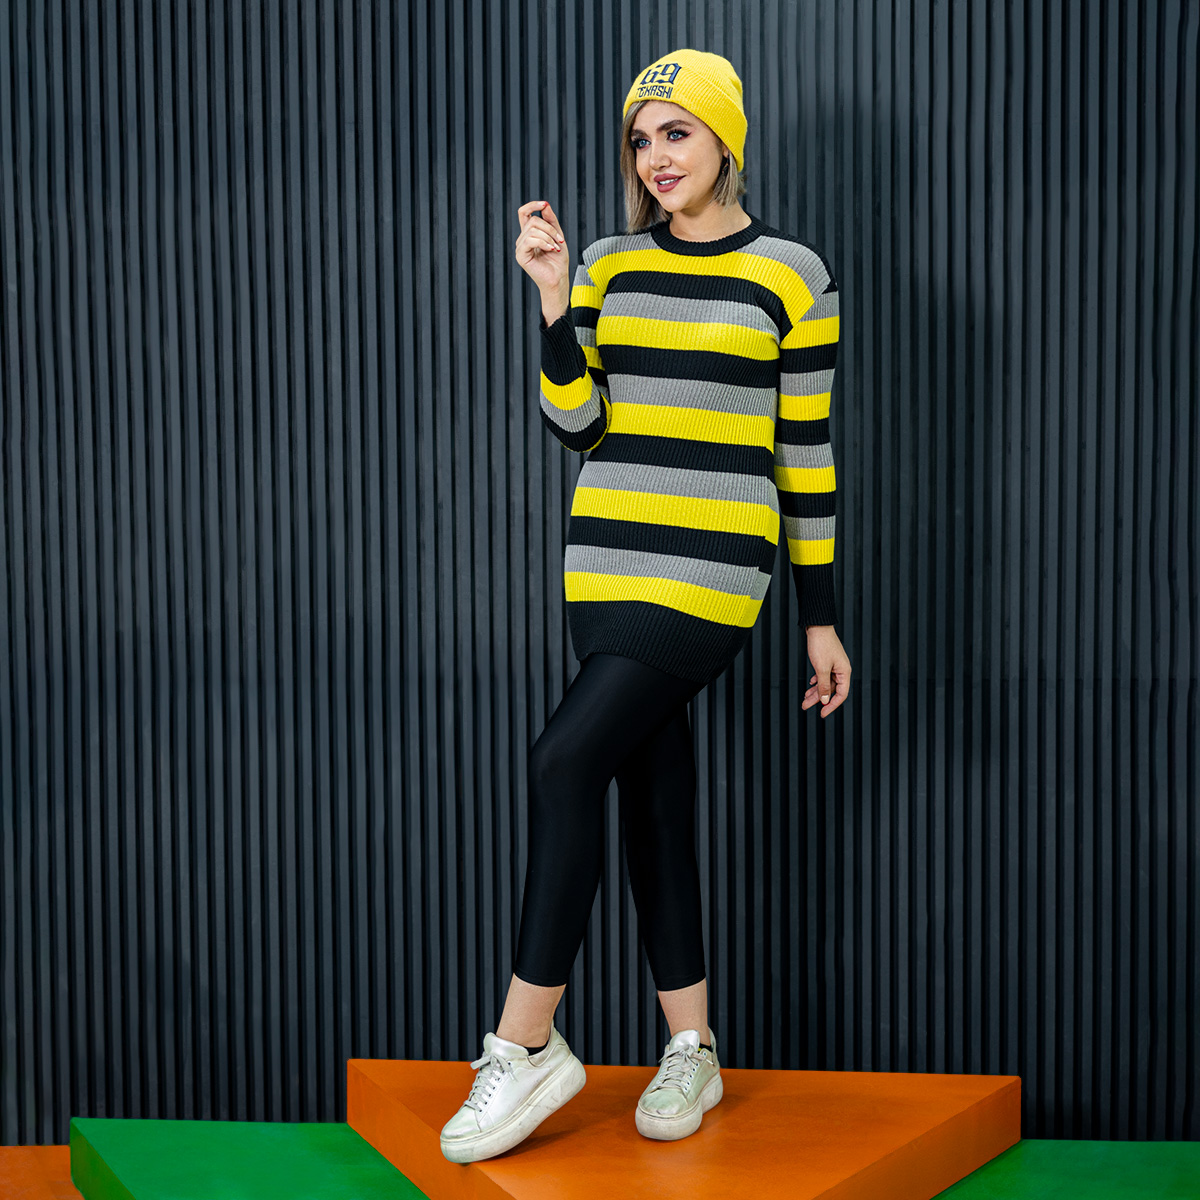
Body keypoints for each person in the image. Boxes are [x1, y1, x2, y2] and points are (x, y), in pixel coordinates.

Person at [441, 47, 852, 1164]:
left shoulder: (792, 274)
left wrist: (818, 614)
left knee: (562, 760)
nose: (656, 156)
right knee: (652, 798)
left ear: (726, 139)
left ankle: (525, 1045)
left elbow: (804, 453)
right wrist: (551, 300)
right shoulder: (608, 264)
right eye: (641, 138)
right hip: (605, 561)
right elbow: (578, 425)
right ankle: (693, 1046)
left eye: (677, 132)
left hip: (714, 567)